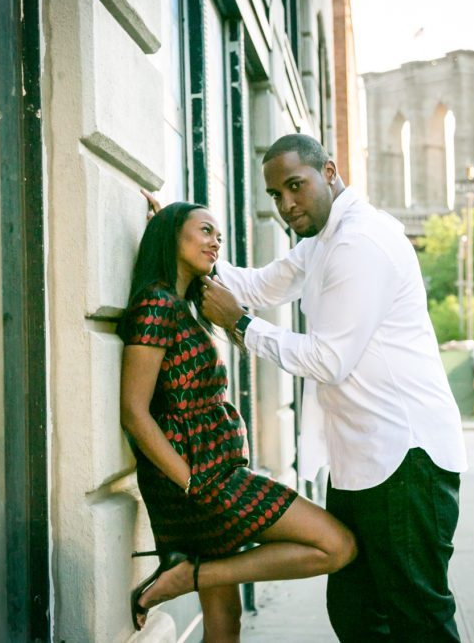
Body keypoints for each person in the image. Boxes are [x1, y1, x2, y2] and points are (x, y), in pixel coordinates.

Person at [199, 133, 468, 642]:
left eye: (295, 186)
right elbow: (257, 285)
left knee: (419, 619)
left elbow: (329, 359)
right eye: (276, 195)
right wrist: (183, 237)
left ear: (329, 171)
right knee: (356, 612)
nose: (287, 203)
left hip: (406, 457)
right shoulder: (321, 243)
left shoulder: (360, 241)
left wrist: (241, 326)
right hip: (363, 462)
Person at [118, 201, 357, 638]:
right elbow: (134, 412)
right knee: (336, 545)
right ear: (172, 236)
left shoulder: (184, 307)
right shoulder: (155, 304)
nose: (216, 240)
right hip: (201, 480)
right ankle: (188, 576)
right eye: (205, 231)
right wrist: (188, 480)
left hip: (212, 471)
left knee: (225, 622)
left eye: (219, 234)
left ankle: (193, 573)